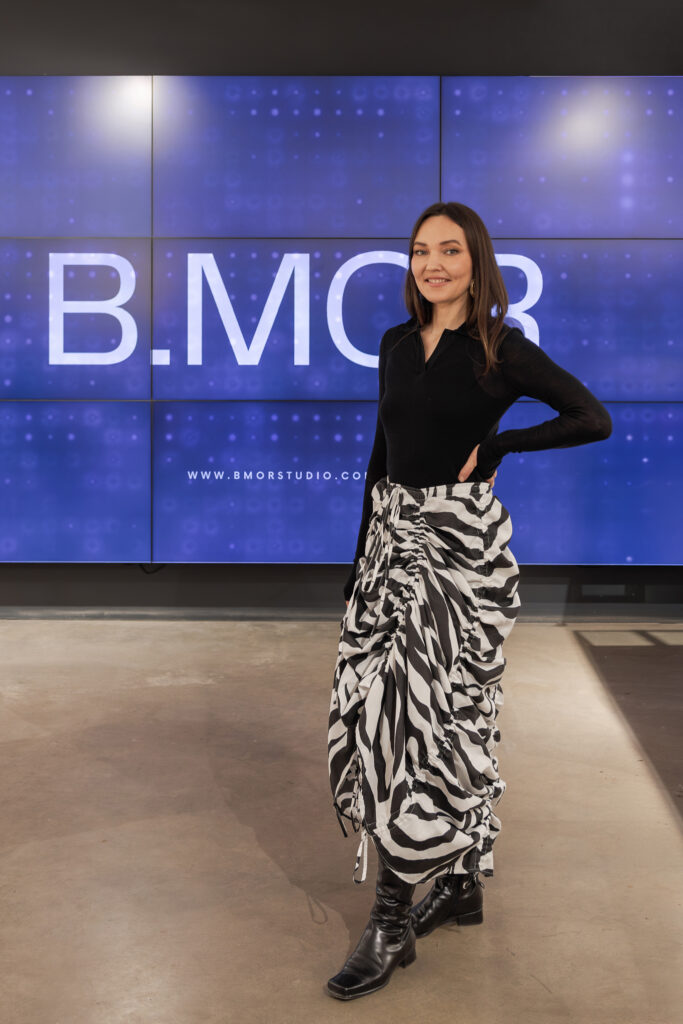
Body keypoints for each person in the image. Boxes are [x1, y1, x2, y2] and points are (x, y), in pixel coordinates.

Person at [325, 201, 613, 1002]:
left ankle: (391, 919)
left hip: (459, 552)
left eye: (449, 250)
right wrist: (360, 560)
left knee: (423, 721)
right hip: (392, 545)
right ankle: (458, 884)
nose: (432, 264)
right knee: (399, 714)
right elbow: (380, 455)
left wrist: (499, 445)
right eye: (420, 250)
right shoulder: (393, 343)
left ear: (475, 262)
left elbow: (591, 418)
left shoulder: (499, 348)